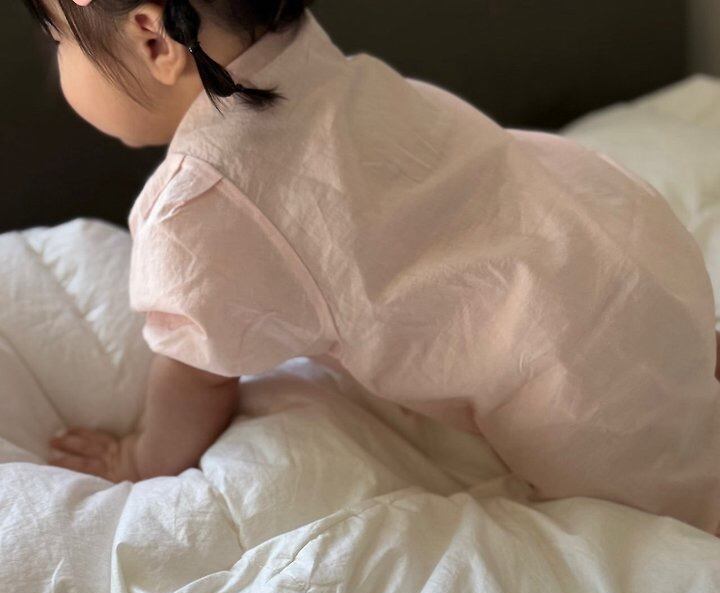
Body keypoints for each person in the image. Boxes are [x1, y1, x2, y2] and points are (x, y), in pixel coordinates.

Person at [31, 0, 720, 535]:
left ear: (155, 41)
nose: (58, 61)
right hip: (612, 231)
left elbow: (197, 372)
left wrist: (142, 458)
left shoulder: (200, 203)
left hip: (565, 361)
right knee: (668, 356)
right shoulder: (302, 49)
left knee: (676, 506)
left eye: (61, 40)